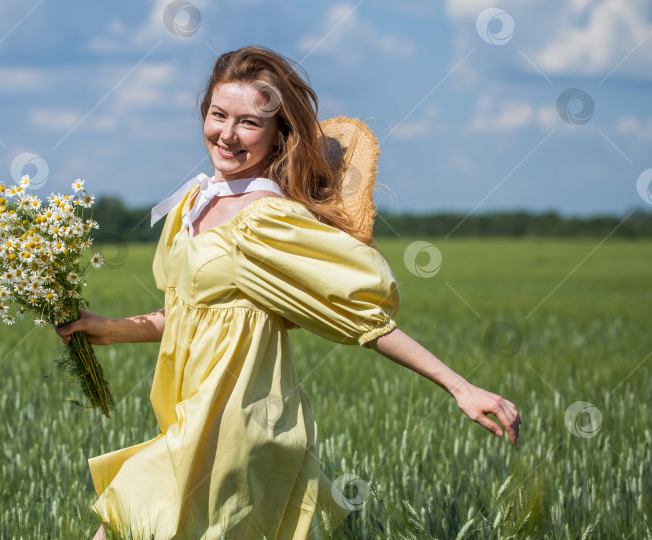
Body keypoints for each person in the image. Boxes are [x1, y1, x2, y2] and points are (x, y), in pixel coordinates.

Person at [57, 45, 521, 539]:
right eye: (218, 115)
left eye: (249, 123)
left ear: (279, 134)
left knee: (122, 524)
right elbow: (189, 315)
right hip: (191, 420)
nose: (228, 134)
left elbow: (364, 319)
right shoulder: (191, 203)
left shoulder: (268, 221)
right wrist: (109, 329)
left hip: (239, 426)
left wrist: (460, 386)